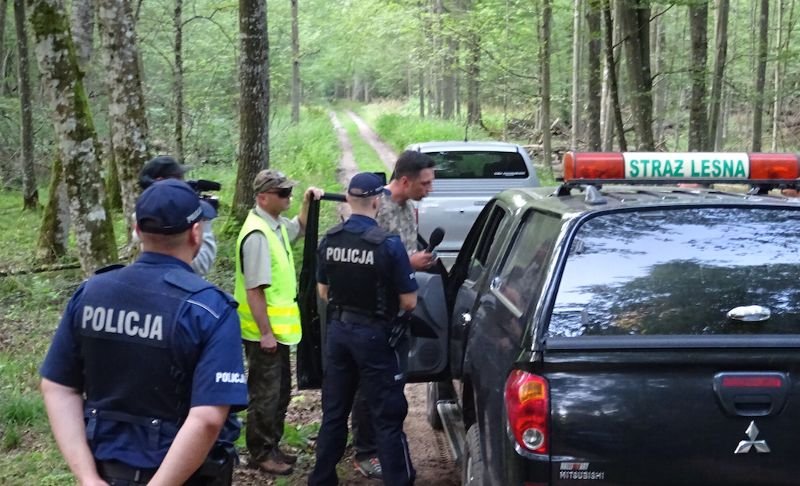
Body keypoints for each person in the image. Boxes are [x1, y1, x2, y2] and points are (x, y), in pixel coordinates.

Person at [40, 179, 248, 486]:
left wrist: (87, 476)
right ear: (195, 233)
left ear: (137, 230)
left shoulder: (90, 294)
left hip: (104, 474)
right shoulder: (210, 310)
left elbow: (57, 386)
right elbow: (207, 418)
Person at [309, 172, 418, 486]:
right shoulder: (388, 245)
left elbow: (323, 293)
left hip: (339, 334)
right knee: (387, 416)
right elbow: (409, 302)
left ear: (347, 200)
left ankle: (321, 479)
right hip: (375, 338)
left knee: (334, 414)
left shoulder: (329, 240)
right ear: (376, 200)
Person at [349, 150, 436, 478]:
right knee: (368, 383)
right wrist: (406, 263)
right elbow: (360, 263)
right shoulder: (376, 207)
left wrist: (417, 261)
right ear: (404, 180)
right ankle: (365, 450)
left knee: (392, 385)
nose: (430, 189)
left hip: (399, 312)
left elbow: (403, 250)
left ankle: (386, 443)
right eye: (425, 183)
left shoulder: (409, 208)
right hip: (373, 314)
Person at [234, 169, 324, 475]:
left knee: (281, 391)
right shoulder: (258, 234)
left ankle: (272, 445)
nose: (287, 196)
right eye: (282, 193)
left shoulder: (274, 226)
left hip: (279, 333)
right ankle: (260, 452)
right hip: (265, 334)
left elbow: (298, 228)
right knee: (266, 394)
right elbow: (254, 290)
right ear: (263, 197)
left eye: (289, 192)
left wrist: (307, 203)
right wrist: (265, 333)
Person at [136, 155, 218, 276]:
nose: (183, 183)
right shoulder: (164, 220)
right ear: (160, 181)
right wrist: (203, 219)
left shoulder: (144, 212)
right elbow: (200, 266)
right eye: (178, 179)